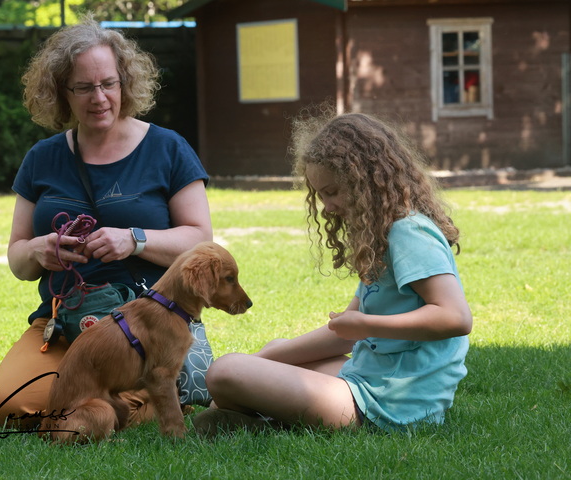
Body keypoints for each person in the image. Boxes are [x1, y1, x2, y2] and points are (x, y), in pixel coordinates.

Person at [0, 15, 212, 431]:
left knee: (69, 410)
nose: (99, 97)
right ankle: (131, 397)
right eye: (84, 87)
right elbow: (17, 260)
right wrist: (38, 249)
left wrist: (135, 240)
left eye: (108, 83)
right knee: (11, 407)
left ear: (125, 83)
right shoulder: (42, 157)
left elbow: (199, 241)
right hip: (63, 319)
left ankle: (144, 388)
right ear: (62, 93)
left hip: (144, 324)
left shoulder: (168, 148)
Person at [193, 109, 472, 436]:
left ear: (366, 181)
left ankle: (265, 424)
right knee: (275, 350)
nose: (327, 206)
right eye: (320, 194)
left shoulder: (408, 234)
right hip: (370, 379)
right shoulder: (382, 235)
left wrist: (367, 323)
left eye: (332, 191)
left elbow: (455, 318)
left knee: (226, 371)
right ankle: (260, 421)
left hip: (392, 405)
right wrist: (265, 357)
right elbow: (344, 332)